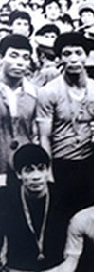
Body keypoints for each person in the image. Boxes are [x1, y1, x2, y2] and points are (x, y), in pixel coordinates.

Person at [36, 32, 94, 218]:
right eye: (67, 54)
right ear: (60, 58)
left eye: (78, 53)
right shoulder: (49, 91)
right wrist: (48, 173)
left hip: (89, 162)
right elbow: (44, 136)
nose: (73, 59)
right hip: (61, 164)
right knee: (62, 218)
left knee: (88, 217)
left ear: (86, 56)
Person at [0, 145, 67, 272]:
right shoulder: (6, 198)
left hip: (55, 271)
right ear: (19, 174)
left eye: (41, 168)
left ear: (47, 171)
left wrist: (60, 271)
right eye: (29, 170)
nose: (36, 176)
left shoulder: (62, 194)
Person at [0, 35, 39, 188]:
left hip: (23, 167)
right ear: (1, 57)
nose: (20, 62)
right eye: (14, 55)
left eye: (25, 57)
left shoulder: (35, 94)